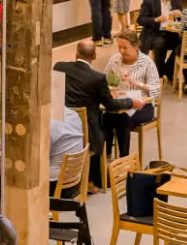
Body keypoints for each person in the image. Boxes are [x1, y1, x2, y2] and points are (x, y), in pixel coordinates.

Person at [53, 38, 140, 168]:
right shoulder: (97, 78)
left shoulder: (59, 67)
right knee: (109, 124)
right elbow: (111, 105)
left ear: (76, 54)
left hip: (60, 123)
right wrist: (130, 102)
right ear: (94, 56)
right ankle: (98, 174)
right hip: (86, 129)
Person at [102, 30, 160, 158]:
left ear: (135, 46)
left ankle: (124, 158)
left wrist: (136, 83)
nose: (121, 51)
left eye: (125, 48)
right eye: (119, 47)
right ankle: (106, 156)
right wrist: (111, 88)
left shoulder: (147, 63)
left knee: (122, 119)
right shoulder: (115, 59)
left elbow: (156, 90)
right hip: (120, 103)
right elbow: (103, 79)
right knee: (104, 118)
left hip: (142, 106)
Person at [137, 0, 184, 82]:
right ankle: (159, 75)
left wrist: (180, 15)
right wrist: (156, 19)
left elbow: (182, 20)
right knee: (160, 43)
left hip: (172, 32)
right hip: (155, 32)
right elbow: (140, 20)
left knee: (183, 44)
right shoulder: (149, 0)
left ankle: (168, 69)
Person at [49, 106, 85, 190]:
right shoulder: (74, 114)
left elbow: (39, 159)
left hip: (55, 184)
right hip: (74, 180)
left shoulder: (50, 123)